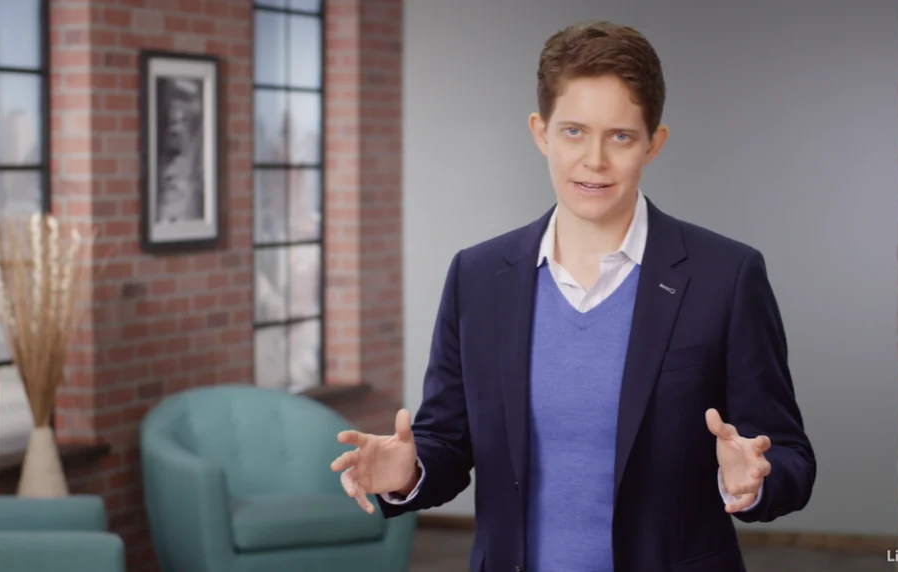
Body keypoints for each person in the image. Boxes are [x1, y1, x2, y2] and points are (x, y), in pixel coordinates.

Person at [330, 20, 815, 572]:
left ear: (654, 143)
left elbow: (791, 457)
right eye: (573, 132)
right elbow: (447, 439)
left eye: (621, 136)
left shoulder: (725, 276)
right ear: (541, 132)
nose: (595, 161)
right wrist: (408, 473)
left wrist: (755, 478)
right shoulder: (478, 276)